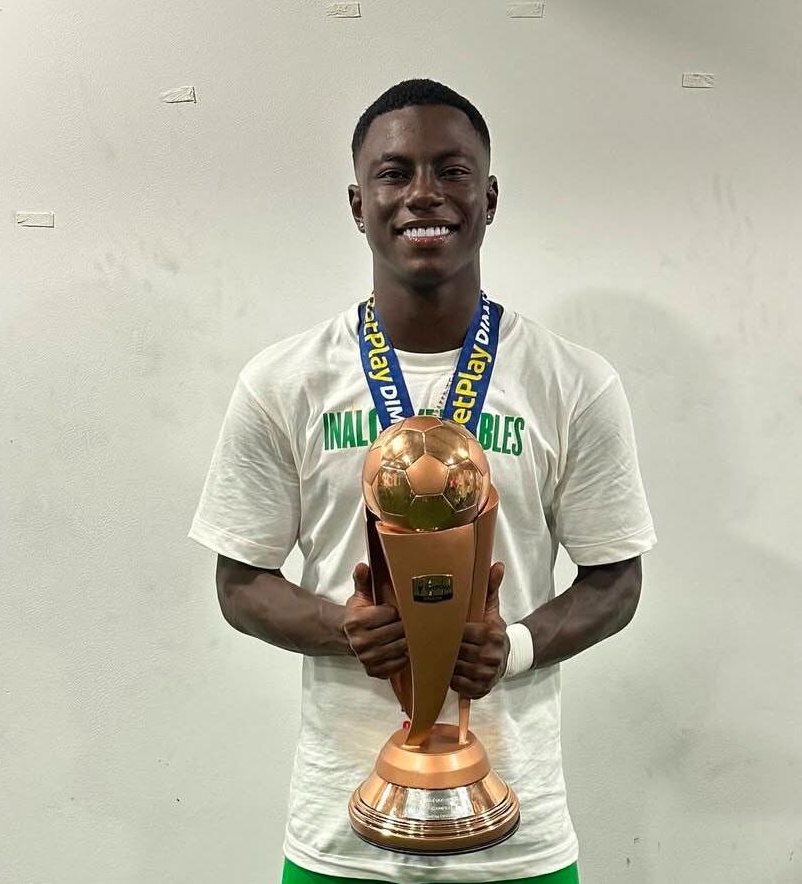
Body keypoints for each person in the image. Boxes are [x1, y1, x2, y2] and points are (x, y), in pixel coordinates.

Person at [188, 78, 657, 884]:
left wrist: (513, 648)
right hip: (341, 836)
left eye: (451, 170)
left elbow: (617, 579)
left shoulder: (571, 382)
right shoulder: (284, 382)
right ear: (356, 202)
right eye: (393, 172)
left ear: (490, 196)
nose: (423, 195)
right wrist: (345, 627)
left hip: (518, 834)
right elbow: (240, 583)